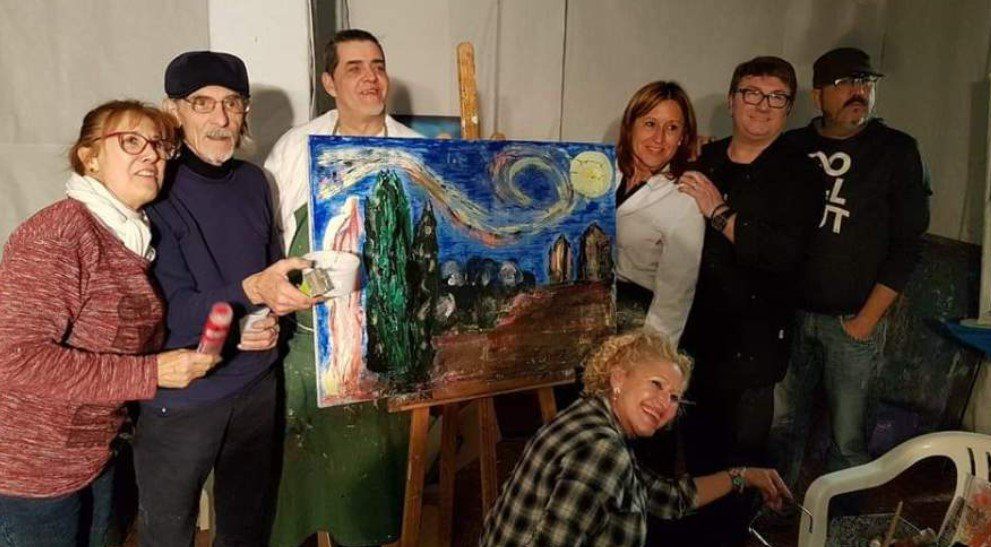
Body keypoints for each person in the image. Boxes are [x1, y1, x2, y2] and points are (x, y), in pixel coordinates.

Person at [0, 100, 219, 545]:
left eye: (159, 145)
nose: (152, 155)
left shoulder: (131, 237)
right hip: (33, 473)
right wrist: (151, 373)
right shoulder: (60, 235)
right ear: (91, 157)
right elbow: (15, 359)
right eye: (131, 142)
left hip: (94, 456)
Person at [134, 51, 318, 546]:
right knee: (167, 535)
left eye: (232, 103)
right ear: (172, 111)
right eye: (203, 103)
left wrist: (277, 308)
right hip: (184, 396)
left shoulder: (254, 181)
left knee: (246, 531)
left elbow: (270, 272)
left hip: (256, 387)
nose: (220, 118)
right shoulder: (155, 189)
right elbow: (166, 311)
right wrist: (243, 313)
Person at [264, 29, 421, 546]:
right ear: (329, 82)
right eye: (354, 68)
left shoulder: (416, 150)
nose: (371, 77)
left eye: (378, 65)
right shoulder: (296, 147)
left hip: (384, 341)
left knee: (370, 479)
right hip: (307, 339)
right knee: (300, 467)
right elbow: (273, 235)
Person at [674, 56, 824, 546]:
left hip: (753, 347)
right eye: (752, 93)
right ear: (733, 99)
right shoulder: (707, 158)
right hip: (693, 335)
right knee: (695, 452)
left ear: (789, 108)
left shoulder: (800, 174)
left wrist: (718, 211)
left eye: (776, 97)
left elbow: (783, 255)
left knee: (740, 463)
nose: (762, 105)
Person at [771, 47, 930, 497]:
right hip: (789, 317)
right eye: (843, 83)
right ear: (818, 95)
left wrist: (866, 320)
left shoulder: (897, 150)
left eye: (865, 82)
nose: (857, 92)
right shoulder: (792, 147)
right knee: (782, 425)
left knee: (849, 437)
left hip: (854, 321)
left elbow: (909, 244)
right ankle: (775, 507)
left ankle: (839, 522)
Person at [479, 330, 791, 547]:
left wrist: (743, 476)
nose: (664, 403)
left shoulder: (592, 416)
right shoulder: (602, 452)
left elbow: (666, 497)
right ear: (619, 377)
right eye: (656, 384)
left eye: (674, 398)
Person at [614, 81, 704, 345]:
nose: (659, 138)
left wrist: (652, 353)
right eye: (650, 124)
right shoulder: (603, 170)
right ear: (630, 125)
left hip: (635, 321)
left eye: (672, 128)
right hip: (579, 313)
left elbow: (675, 295)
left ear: (683, 137)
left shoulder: (684, 199)